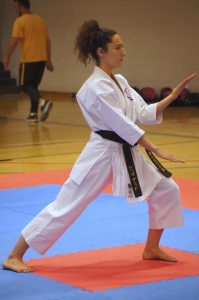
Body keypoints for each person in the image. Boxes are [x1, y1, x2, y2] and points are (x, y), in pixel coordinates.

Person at [2, 20, 196, 273]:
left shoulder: (121, 81)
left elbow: (142, 112)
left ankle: (151, 248)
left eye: (122, 46)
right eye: (117, 47)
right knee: (67, 205)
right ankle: (14, 255)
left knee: (167, 189)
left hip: (125, 152)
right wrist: (155, 148)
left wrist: (171, 97)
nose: (123, 52)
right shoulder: (94, 88)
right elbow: (122, 125)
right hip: (102, 154)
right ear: (101, 52)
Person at [3, 0, 54, 123]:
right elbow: (47, 42)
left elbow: (14, 40)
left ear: (20, 6)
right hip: (41, 60)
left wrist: (7, 56)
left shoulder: (20, 21)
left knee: (24, 85)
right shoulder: (41, 21)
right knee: (33, 87)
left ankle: (43, 102)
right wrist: (48, 59)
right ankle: (33, 114)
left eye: (16, 7)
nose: (16, 10)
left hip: (29, 60)